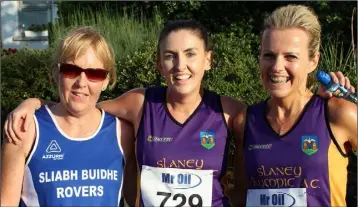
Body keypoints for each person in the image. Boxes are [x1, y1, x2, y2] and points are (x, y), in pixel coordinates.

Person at [2, 20, 353, 207]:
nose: (180, 66)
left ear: (208, 61)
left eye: (190, 54)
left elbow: (288, 122)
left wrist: (316, 99)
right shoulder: (140, 104)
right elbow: (79, 104)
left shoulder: (234, 114)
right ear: (159, 63)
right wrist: (34, 104)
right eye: (170, 55)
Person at [232, 5, 357, 207]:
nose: (277, 67)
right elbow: (239, 197)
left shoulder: (338, 114)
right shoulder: (244, 122)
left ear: (313, 61)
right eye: (269, 55)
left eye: (291, 56)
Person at [0, 27, 136, 206]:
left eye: (94, 74)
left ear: (105, 81)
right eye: (71, 70)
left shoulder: (123, 133)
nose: (81, 83)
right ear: (56, 74)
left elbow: (138, 200)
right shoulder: (25, 129)